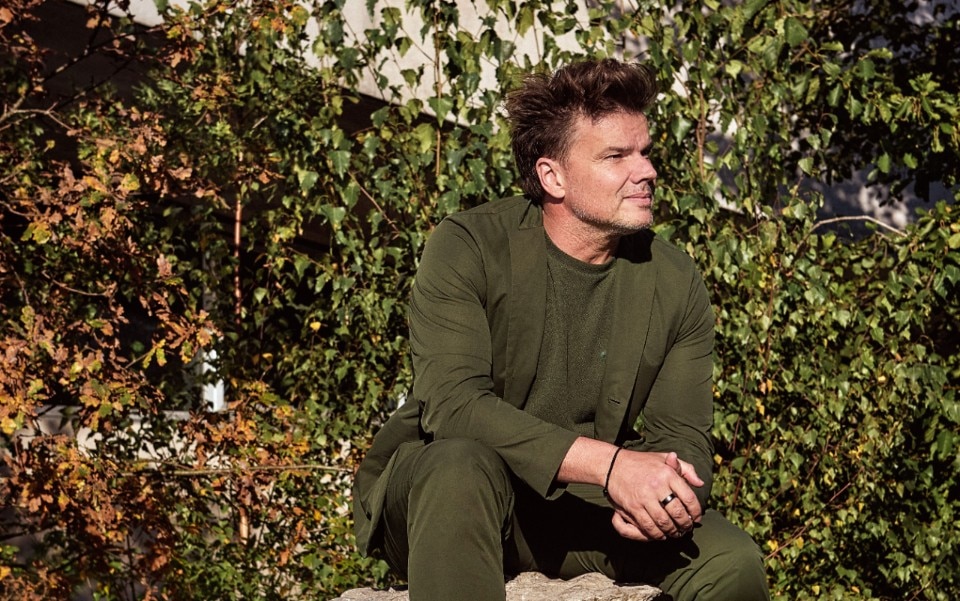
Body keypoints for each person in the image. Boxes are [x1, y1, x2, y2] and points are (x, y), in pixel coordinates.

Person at [352, 58, 769, 601]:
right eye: (616, 156)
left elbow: (683, 434)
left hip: (582, 508)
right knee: (459, 464)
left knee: (732, 562)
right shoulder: (468, 246)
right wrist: (612, 466)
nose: (646, 171)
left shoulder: (673, 278)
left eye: (645, 152)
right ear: (553, 176)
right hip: (450, 498)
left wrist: (664, 498)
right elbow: (454, 406)